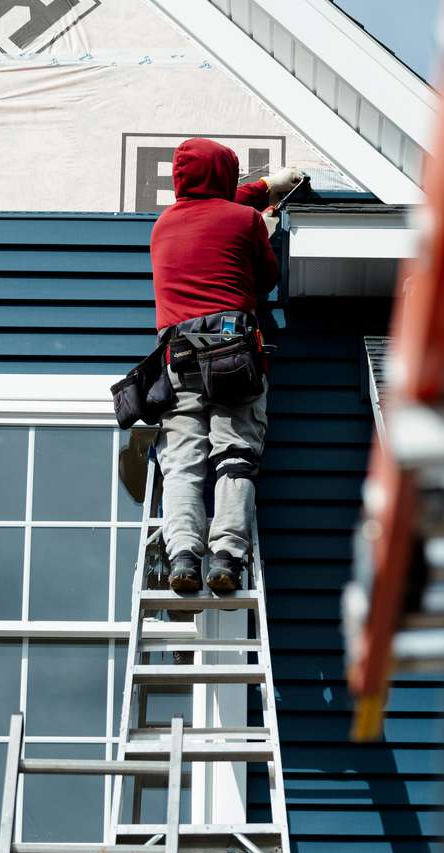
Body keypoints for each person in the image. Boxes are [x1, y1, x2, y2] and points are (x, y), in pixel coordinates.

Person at [146, 138, 302, 593]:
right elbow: (266, 276)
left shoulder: (163, 225)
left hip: (177, 356)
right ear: (225, 175)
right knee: (235, 453)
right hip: (233, 351)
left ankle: (182, 556)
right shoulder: (243, 220)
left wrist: (261, 189)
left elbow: (210, 207)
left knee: (182, 461)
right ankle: (227, 558)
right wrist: (264, 223)